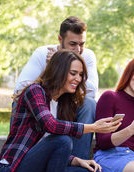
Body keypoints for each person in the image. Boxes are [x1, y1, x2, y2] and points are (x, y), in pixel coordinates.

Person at [0, 50, 121, 172]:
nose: (78, 79)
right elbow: (51, 127)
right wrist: (93, 127)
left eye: (80, 75)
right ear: (58, 70)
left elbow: (49, 147)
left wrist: (77, 161)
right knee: (63, 139)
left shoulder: (63, 103)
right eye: (73, 73)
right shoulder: (35, 91)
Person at [12, 16, 98, 160]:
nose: (78, 50)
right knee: (18, 103)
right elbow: (20, 89)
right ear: (60, 39)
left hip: (68, 107)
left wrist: (67, 71)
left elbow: (91, 91)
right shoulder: (42, 53)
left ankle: (78, 162)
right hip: (43, 107)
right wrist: (56, 67)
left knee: (89, 104)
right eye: (73, 44)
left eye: (82, 44)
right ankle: (22, 156)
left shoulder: (87, 55)